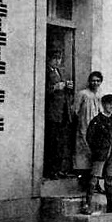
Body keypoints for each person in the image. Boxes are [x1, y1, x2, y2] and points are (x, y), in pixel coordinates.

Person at [84, 94, 112, 215]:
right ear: (103, 104)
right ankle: (88, 205)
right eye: (109, 104)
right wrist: (97, 149)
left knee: (109, 180)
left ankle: (110, 205)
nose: (111, 106)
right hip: (100, 153)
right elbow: (89, 138)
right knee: (94, 178)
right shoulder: (96, 120)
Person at [73, 71, 104, 196]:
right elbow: (75, 110)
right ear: (89, 81)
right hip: (85, 127)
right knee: (84, 154)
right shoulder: (83, 94)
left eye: (97, 81)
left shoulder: (101, 95)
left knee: (96, 156)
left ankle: (95, 184)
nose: (95, 83)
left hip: (97, 130)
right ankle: (84, 183)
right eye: (93, 80)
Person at [45, 49, 73, 179]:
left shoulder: (60, 71)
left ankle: (59, 169)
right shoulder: (46, 72)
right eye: (55, 58)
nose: (57, 61)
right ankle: (51, 171)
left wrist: (68, 87)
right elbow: (44, 90)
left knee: (61, 143)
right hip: (53, 113)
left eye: (59, 58)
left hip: (63, 113)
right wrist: (56, 87)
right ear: (49, 59)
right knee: (52, 143)